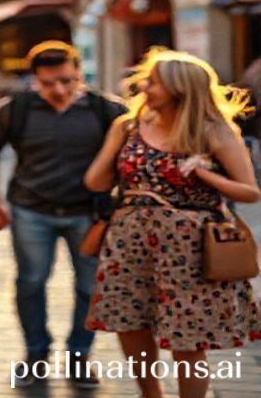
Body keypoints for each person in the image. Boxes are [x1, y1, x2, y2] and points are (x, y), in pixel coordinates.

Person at [84, 48, 261, 398]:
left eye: (154, 81)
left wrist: (205, 175)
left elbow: (250, 192)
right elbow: (95, 181)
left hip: (190, 244)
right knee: (130, 321)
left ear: (181, 88)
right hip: (130, 235)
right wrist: (115, 163)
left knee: (188, 331)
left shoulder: (211, 130)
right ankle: (151, 394)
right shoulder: (129, 125)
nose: (143, 86)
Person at [0, 41, 126, 389]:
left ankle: (80, 356)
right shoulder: (16, 109)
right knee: (31, 282)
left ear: (78, 73)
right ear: (35, 79)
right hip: (31, 210)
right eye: (49, 83)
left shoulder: (107, 110)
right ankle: (36, 355)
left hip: (89, 214)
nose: (59, 89)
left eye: (68, 81)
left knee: (90, 286)